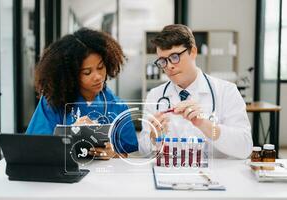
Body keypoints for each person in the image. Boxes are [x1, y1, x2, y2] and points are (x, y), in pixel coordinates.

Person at [138, 24, 252, 159]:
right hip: (170, 175)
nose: (169, 66)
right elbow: (143, 152)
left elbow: (244, 147)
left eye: (174, 57)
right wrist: (153, 137)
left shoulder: (226, 91)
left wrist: (205, 125)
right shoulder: (155, 96)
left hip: (216, 177)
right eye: (163, 61)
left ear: (192, 52)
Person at [27, 27, 138, 159]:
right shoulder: (52, 103)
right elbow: (36, 147)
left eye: (100, 67)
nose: (97, 76)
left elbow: (125, 155)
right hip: (63, 175)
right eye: (87, 72)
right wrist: (70, 134)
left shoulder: (118, 107)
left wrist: (113, 153)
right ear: (71, 75)